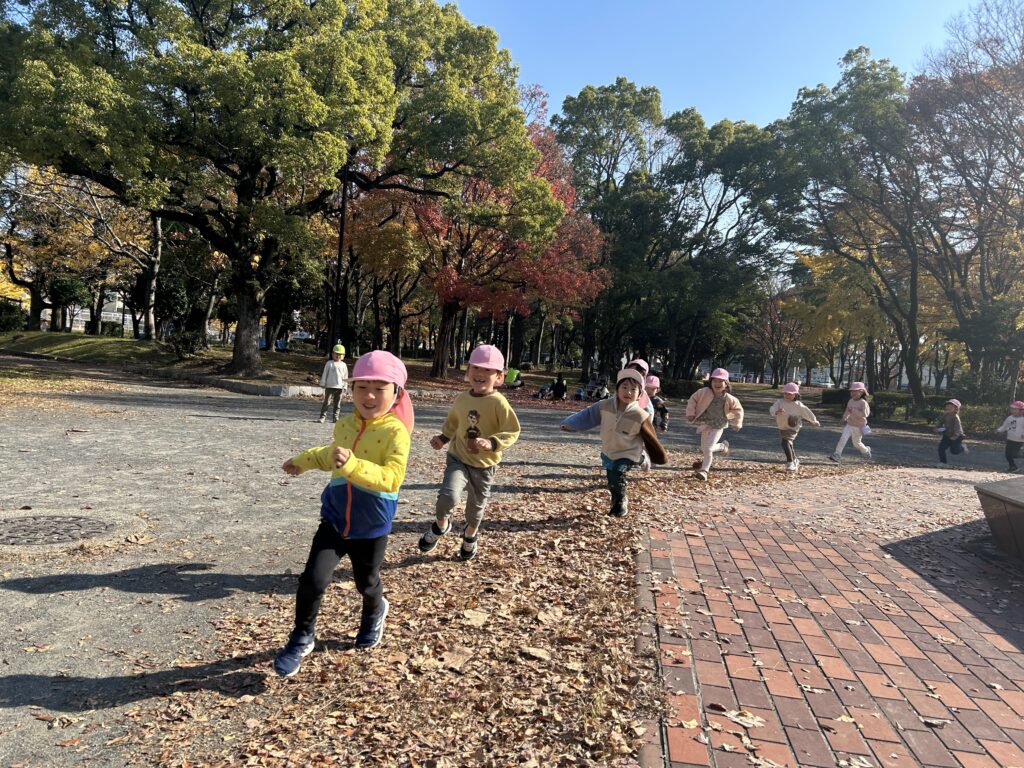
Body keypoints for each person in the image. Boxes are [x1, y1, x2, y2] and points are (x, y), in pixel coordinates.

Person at [274, 351, 413, 677]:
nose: (369, 396)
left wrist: (352, 465)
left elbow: (391, 478)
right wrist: (305, 461)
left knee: (367, 584)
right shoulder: (345, 424)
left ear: (396, 393)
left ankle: (375, 611)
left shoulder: (396, 432)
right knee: (313, 580)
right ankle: (302, 636)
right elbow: (333, 455)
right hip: (335, 519)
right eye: (361, 387)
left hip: (371, 525)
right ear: (351, 390)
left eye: (379, 388)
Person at [418, 344, 521, 561]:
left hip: (484, 465)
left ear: (499, 377)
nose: (480, 373)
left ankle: (470, 535)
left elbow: (512, 430)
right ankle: (441, 526)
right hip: (458, 458)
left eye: (487, 370)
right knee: (448, 496)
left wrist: (492, 443)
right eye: (475, 368)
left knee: (475, 509)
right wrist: (443, 438)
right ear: (468, 371)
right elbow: (454, 422)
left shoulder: (499, 402)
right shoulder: (463, 399)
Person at [561, 369, 667, 516]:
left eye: (633, 389)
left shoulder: (640, 415)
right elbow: (588, 415)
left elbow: (650, 438)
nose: (628, 392)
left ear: (640, 394)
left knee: (617, 474)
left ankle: (620, 503)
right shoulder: (604, 405)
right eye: (624, 387)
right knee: (611, 479)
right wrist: (570, 424)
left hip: (628, 451)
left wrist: (658, 455)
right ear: (617, 389)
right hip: (610, 450)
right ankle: (618, 496)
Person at [685, 368, 744, 481]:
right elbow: (692, 400)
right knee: (705, 448)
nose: (717, 384)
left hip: (719, 425)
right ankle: (722, 446)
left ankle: (704, 471)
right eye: (715, 381)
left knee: (708, 448)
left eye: (721, 381)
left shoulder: (729, 398)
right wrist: (690, 413)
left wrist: (738, 423)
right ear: (710, 382)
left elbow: (739, 410)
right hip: (705, 423)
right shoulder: (703, 392)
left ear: (726, 384)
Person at [768, 382, 821, 472]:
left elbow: (807, 412)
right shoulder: (780, 402)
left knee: (785, 442)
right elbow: (772, 409)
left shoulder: (798, 405)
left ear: (795, 394)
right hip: (782, 426)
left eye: (790, 394)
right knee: (788, 443)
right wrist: (777, 411)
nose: (787, 395)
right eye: (785, 393)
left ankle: (790, 462)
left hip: (793, 427)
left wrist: (814, 421)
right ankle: (795, 460)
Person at [829, 382, 872, 463]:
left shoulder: (863, 402)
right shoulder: (850, 401)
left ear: (861, 392)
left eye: (855, 391)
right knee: (843, 438)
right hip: (849, 425)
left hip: (859, 426)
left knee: (856, 443)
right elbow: (847, 411)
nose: (853, 393)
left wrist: (855, 411)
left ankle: (866, 450)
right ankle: (837, 454)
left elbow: (866, 414)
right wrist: (844, 418)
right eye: (852, 391)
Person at [317, 344, 349, 423]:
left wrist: (345, 386)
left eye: (340, 354)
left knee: (337, 404)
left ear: (343, 356)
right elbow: (325, 373)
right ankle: (322, 417)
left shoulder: (344, 365)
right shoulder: (329, 363)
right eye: (336, 354)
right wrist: (323, 383)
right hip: (329, 386)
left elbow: (345, 376)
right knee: (326, 402)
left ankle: (336, 417)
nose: (338, 356)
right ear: (332, 354)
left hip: (339, 387)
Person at [936, 398, 966, 468]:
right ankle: (943, 462)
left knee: (954, 451)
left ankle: (962, 447)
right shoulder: (945, 415)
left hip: (956, 437)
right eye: (948, 406)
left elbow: (958, 430)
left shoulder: (956, 417)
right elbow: (939, 423)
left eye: (951, 407)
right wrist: (937, 428)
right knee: (941, 448)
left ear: (956, 409)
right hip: (947, 435)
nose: (949, 407)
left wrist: (954, 437)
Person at [997, 400, 1024, 472]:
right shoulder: (1009, 418)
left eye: (1015, 409)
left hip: (1019, 440)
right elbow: (1005, 426)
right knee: (1008, 454)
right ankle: (1013, 467)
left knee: (1014, 454)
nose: (1013, 411)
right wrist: (999, 430)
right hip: (1010, 439)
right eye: (1012, 409)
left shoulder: (1023, 419)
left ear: (1021, 411)